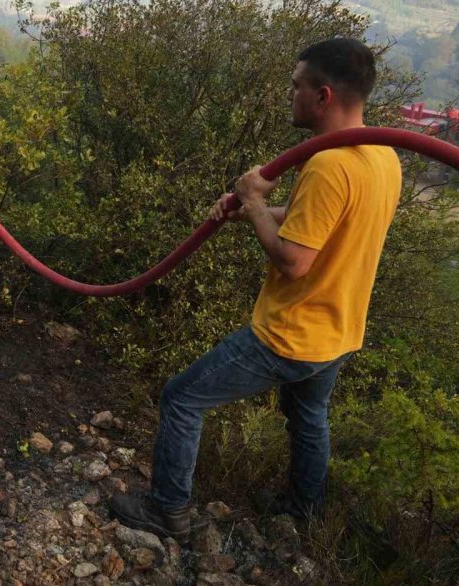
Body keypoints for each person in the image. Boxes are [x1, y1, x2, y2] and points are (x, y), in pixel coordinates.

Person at [109, 38, 402, 542]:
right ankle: (304, 510)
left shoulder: (330, 165)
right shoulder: (381, 155)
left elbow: (294, 260)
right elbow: (320, 223)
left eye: (296, 87)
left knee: (182, 398)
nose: (290, 95)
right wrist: (252, 213)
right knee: (308, 417)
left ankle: (167, 509)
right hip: (339, 329)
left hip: (292, 332)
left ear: (324, 96)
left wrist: (252, 198)